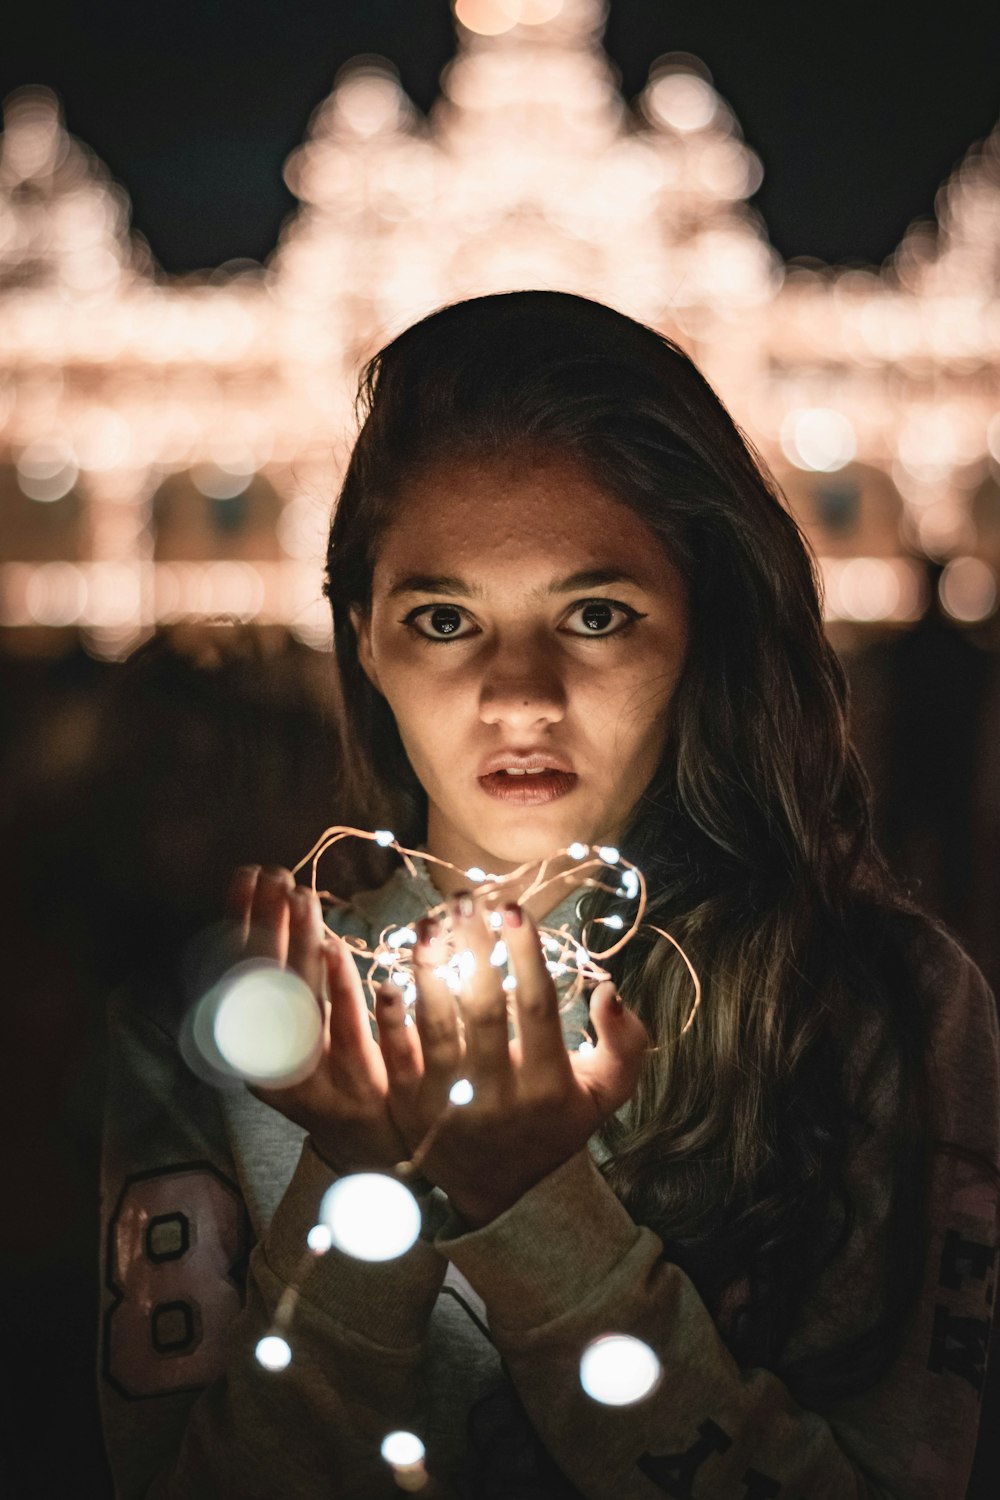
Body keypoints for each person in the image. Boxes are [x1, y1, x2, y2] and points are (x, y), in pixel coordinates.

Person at [99, 291, 999, 1500]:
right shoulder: (221, 1020)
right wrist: (364, 1178)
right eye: (443, 618)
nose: (518, 693)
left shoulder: (873, 1003)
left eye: (594, 614)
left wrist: (536, 1206)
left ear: (702, 622)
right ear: (361, 635)